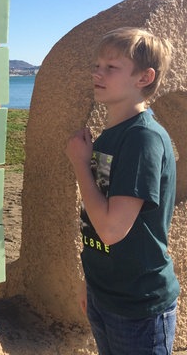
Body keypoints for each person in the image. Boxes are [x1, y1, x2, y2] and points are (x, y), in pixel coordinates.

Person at [65, 27, 179, 355]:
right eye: (97, 65)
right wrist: (92, 283)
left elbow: (112, 229)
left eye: (111, 67)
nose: (97, 73)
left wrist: (79, 164)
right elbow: (96, 216)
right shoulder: (110, 136)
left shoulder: (142, 139)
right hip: (105, 294)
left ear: (144, 77)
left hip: (139, 307)